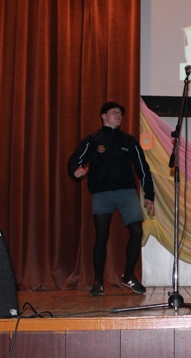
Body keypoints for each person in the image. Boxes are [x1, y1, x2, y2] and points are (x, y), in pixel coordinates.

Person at [68, 102, 155, 296]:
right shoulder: (92, 140)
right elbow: (75, 159)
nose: (118, 115)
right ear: (103, 116)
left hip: (126, 192)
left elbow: (143, 168)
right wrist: (76, 170)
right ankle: (98, 282)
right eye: (114, 112)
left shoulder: (129, 141)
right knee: (101, 235)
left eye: (120, 113)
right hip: (102, 193)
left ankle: (128, 275)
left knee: (137, 231)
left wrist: (149, 194)